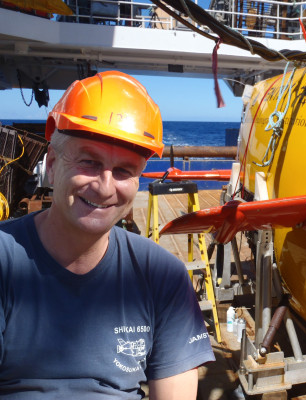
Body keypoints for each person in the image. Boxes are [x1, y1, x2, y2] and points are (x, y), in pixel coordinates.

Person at [0, 71, 215, 399]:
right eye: (88, 162)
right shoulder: (4, 259)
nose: (104, 187)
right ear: (54, 164)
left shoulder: (162, 277)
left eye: (124, 171)